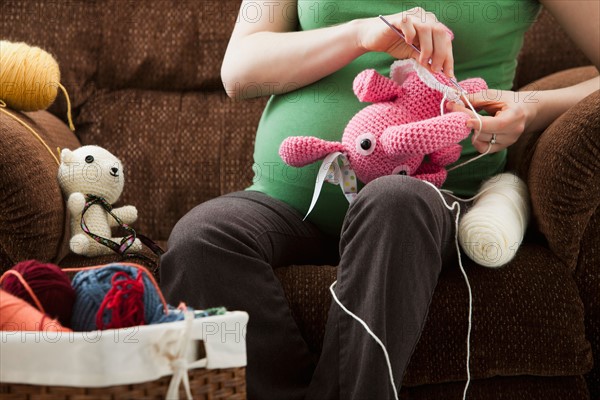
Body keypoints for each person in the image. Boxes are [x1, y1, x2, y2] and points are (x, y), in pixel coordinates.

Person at [160, 1, 599, 399]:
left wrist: (529, 105)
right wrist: (358, 35)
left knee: (394, 201)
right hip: (291, 202)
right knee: (201, 241)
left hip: (426, 198)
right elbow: (239, 70)